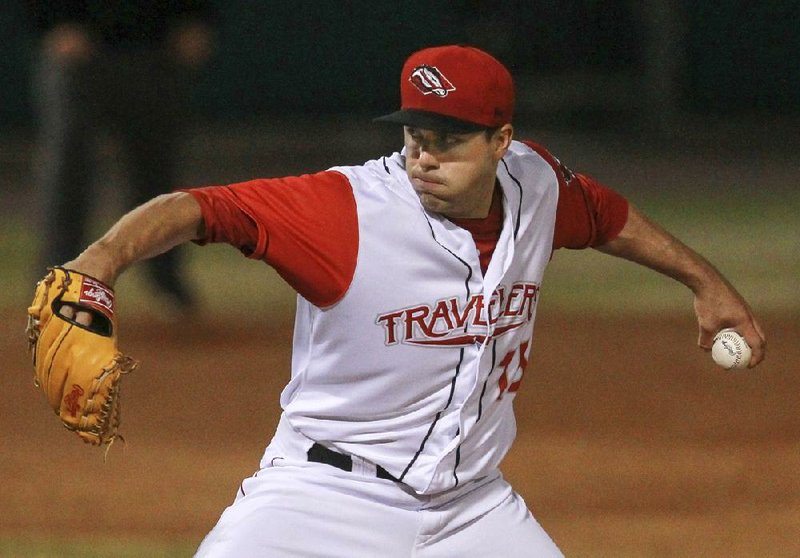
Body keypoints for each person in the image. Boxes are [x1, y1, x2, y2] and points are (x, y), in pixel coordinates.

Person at [58, 45, 765, 557]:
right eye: (413, 136)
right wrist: (100, 261)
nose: (423, 156)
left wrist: (709, 285)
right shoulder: (346, 209)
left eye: (448, 141)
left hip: (472, 508)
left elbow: (607, 217)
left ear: (502, 143)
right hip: (322, 500)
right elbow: (197, 208)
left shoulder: (539, 184)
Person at [27, 0, 216, 310]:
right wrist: (51, 21)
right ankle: (55, 286)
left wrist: (195, 17)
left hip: (155, 48)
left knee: (157, 177)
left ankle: (168, 285)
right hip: (80, 49)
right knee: (67, 177)